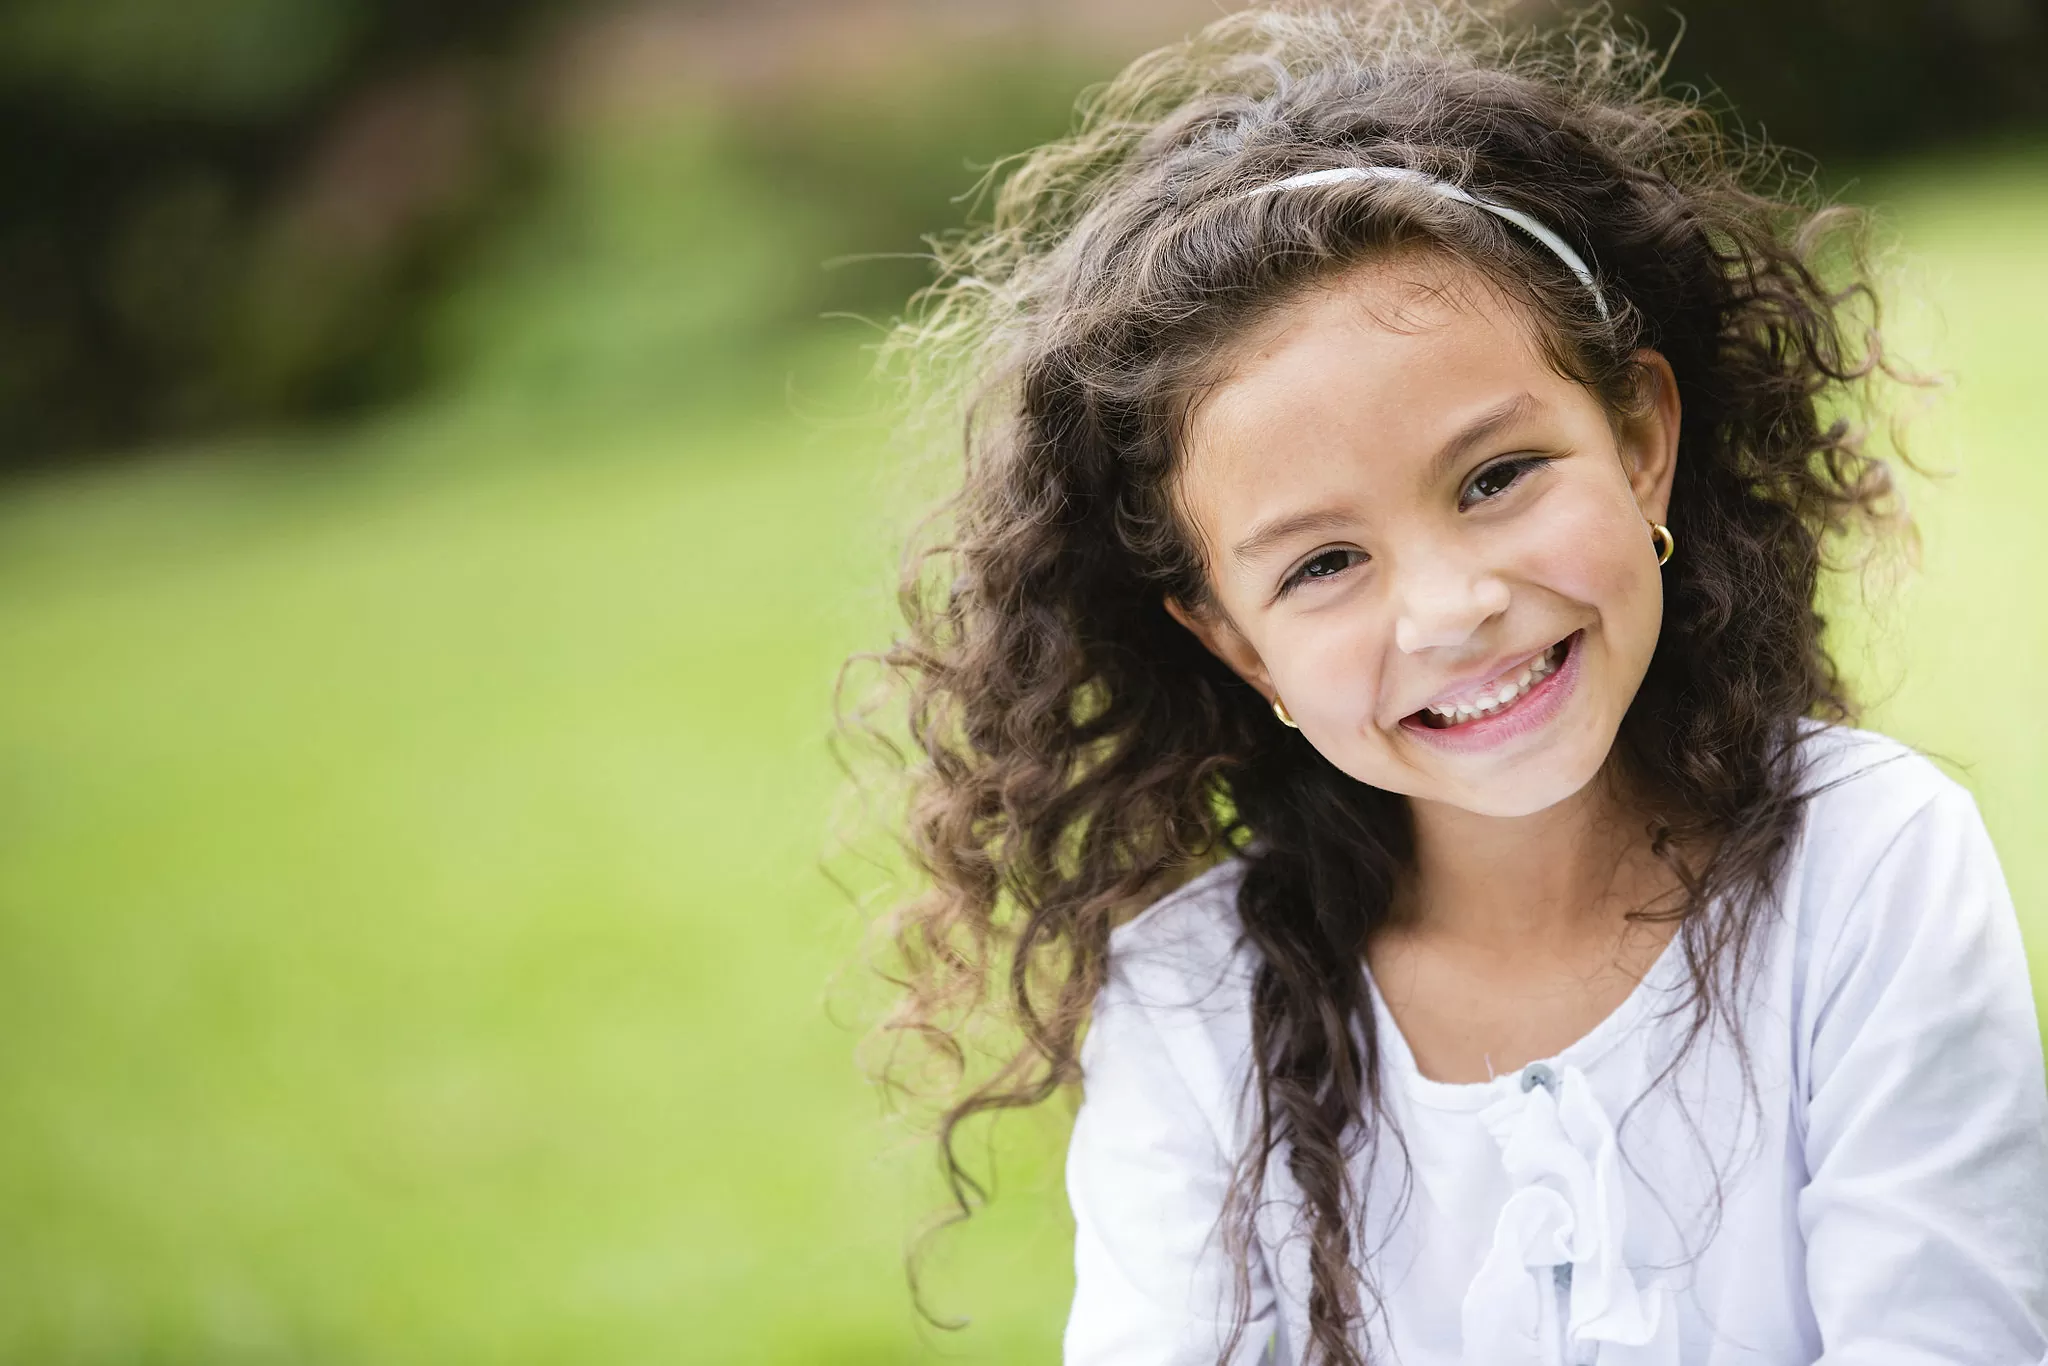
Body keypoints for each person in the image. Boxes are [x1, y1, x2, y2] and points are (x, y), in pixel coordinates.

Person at [857, 4, 2048, 1362]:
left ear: (1642, 440)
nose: (1451, 607)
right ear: (1238, 643)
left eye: (1497, 477)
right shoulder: (1192, 1001)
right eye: (1323, 564)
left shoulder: (1865, 864)